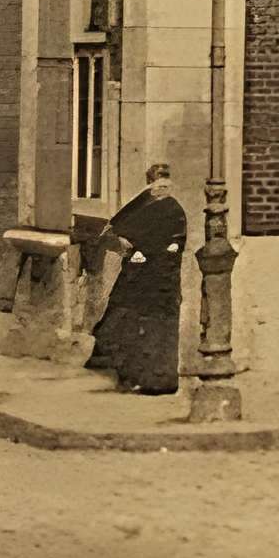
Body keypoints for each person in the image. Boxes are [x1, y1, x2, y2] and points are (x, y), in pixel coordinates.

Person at [87, 161, 189, 395]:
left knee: (158, 327)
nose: (161, 187)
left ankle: (160, 380)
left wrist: (169, 249)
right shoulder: (141, 205)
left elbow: (177, 240)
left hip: (163, 280)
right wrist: (132, 249)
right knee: (129, 321)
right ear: (150, 183)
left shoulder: (174, 209)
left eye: (165, 182)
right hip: (138, 277)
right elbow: (117, 228)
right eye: (157, 182)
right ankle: (129, 374)